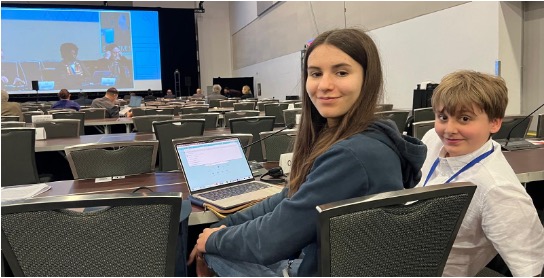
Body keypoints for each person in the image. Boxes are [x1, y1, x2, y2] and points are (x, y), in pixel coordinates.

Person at [187, 28, 427, 277]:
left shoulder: (353, 155)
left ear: (368, 78)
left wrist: (212, 240)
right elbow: (288, 198)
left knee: (211, 250)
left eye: (341, 72)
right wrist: (225, 225)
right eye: (315, 73)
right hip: (329, 263)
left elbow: (272, 238)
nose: (324, 85)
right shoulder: (368, 136)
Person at [416, 70, 544, 277]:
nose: (449, 129)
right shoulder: (433, 139)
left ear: (495, 123)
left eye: (464, 118)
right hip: (400, 251)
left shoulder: (498, 189)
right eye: (443, 117)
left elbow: (531, 269)